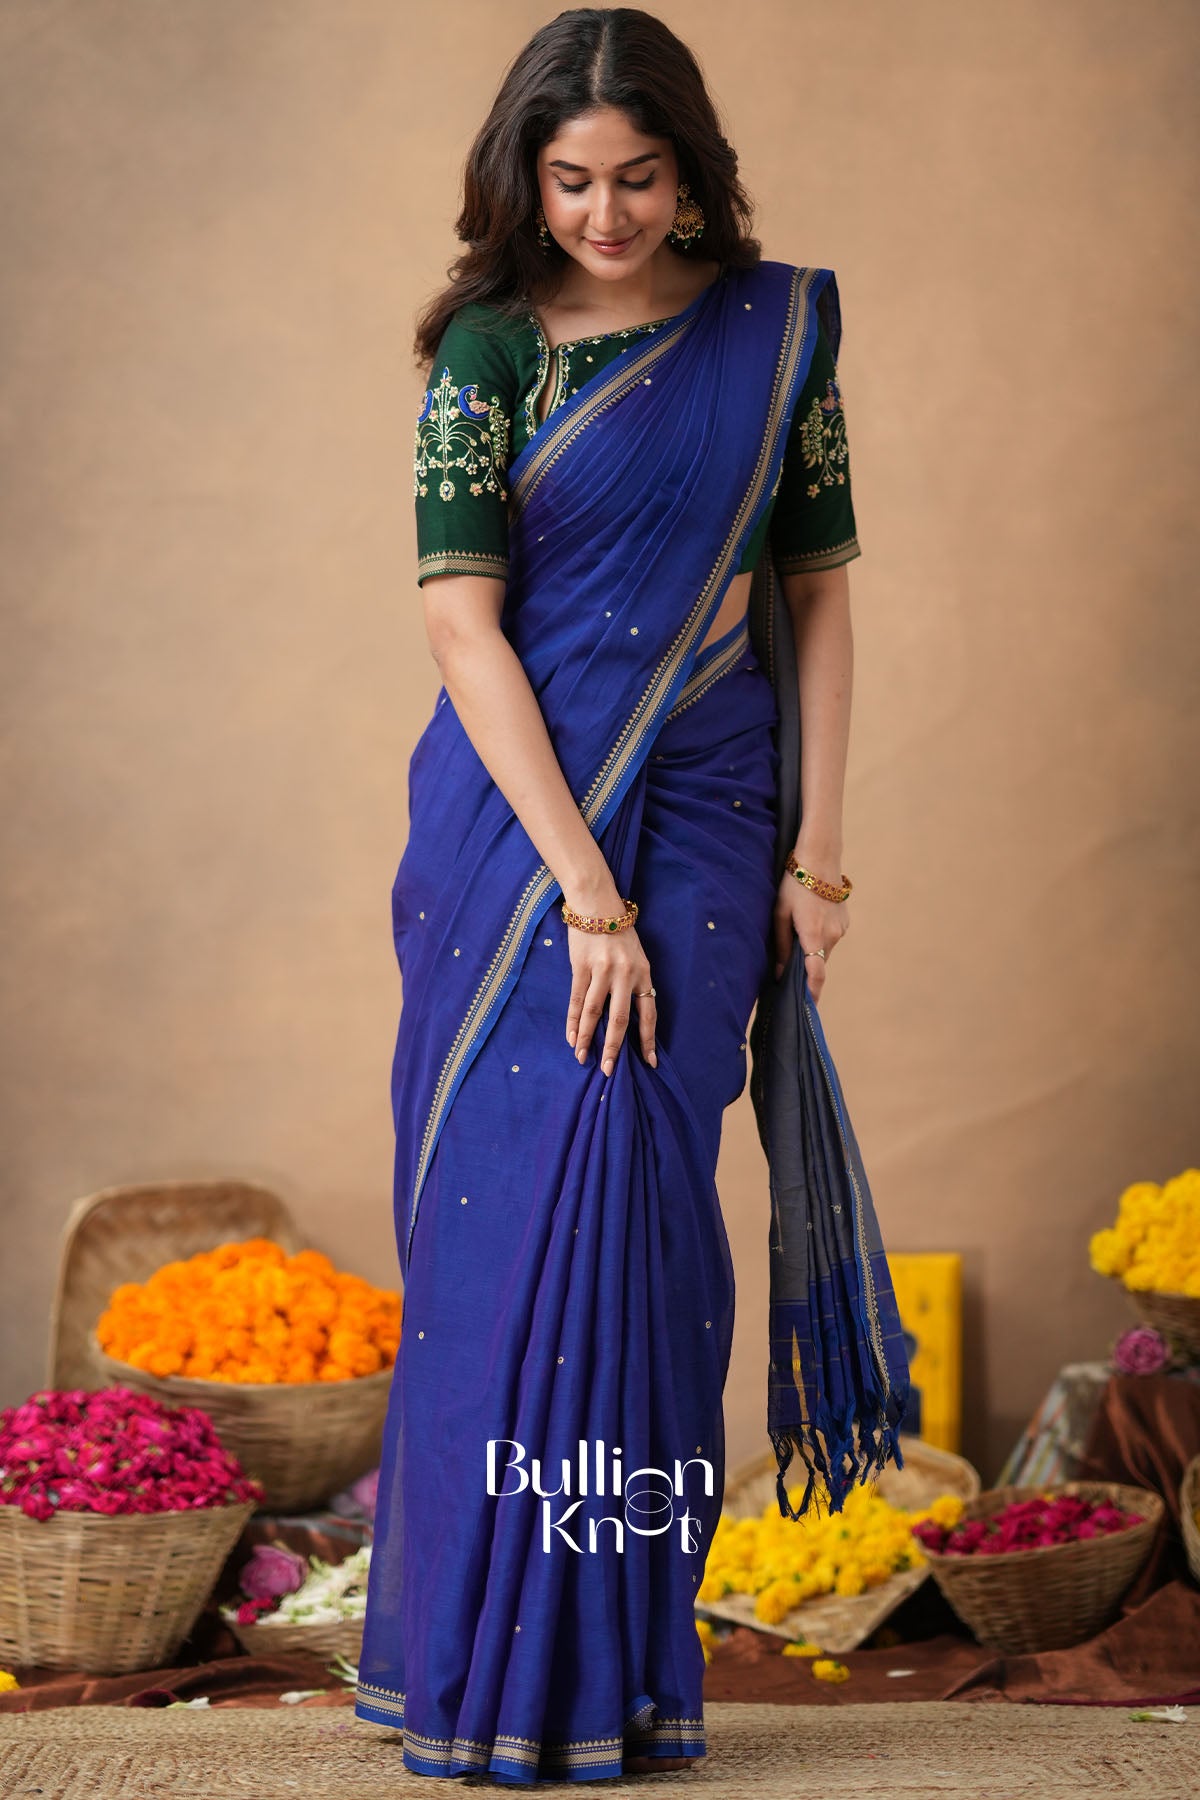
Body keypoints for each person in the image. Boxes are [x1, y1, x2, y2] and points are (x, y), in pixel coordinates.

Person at [354, 7, 909, 1784]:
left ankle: (612, 1679)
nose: (603, 212)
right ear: (526, 178)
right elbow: (462, 629)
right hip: (522, 839)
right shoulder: (491, 355)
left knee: (652, 1233)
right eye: (571, 178)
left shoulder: (773, 334)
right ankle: (479, 1679)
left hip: (718, 807)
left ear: (693, 170)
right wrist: (584, 886)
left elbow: (814, 596)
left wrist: (819, 855)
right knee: (507, 1242)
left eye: (638, 178)